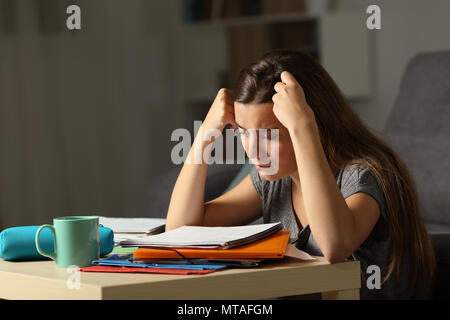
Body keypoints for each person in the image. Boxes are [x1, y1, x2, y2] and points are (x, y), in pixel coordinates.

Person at [165, 49, 435, 299]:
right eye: (243, 132)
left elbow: (335, 246)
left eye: (268, 134)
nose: (253, 150)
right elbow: (180, 231)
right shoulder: (273, 179)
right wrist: (204, 136)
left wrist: (304, 127)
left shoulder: (363, 174)